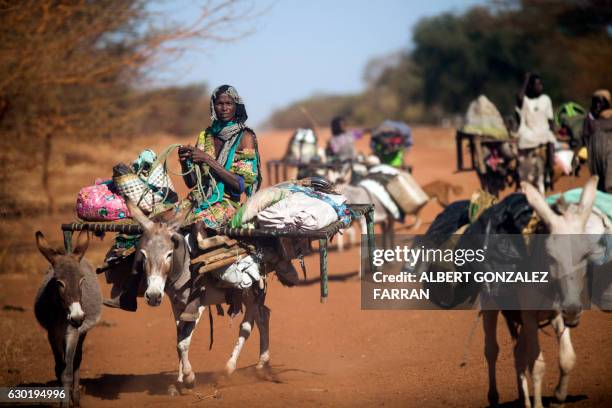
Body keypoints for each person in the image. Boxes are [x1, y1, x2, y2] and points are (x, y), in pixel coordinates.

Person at [103, 85, 261, 317]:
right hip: (196, 200)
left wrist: (207, 160)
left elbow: (240, 184)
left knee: (198, 228)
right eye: (219, 103)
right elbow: (190, 183)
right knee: (153, 225)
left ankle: (195, 296)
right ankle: (129, 290)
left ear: (237, 106)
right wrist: (186, 163)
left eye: (229, 103)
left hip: (227, 204)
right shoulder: (205, 135)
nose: (224, 108)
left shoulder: (245, 137)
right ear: (213, 106)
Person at [515, 73, 556, 192]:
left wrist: (552, 132)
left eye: (540, 84)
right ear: (530, 86)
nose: (540, 86)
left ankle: (549, 171)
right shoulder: (525, 100)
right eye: (537, 84)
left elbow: (550, 120)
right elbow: (519, 97)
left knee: (550, 139)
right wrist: (526, 80)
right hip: (528, 132)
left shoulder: (546, 99)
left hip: (543, 131)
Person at [583, 89, 612, 192]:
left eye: (600, 102)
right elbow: (585, 137)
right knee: (599, 186)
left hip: (610, 156)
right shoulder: (589, 119)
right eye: (595, 102)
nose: (597, 105)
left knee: (609, 185)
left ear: (607, 103)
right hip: (595, 158)